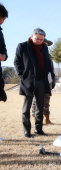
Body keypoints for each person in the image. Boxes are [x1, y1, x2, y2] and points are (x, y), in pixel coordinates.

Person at [14, 28, 54, 138]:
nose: (39, 41)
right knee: (26, 108)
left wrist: (51, 78)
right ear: (32, 36)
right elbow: (17, 62)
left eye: (42, 40)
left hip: (42, 81)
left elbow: (48, 63)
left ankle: (38, 129)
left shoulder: (44, 47)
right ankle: (27, 131)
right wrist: (23, 76)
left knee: (40, 107)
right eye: (37, 39)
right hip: (29, 81)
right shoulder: (22, 46)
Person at [32, 38, 55, 125]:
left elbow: (51, 70)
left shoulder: (48, 55)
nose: (45, 45)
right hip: (38, 80)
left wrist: (52, 81)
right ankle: (35, 118)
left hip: (48, 81)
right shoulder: (36, 54)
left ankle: (47, 119)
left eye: (46, 44)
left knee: (47, 99)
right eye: (44, 43)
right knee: (35, 101)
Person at [0, 4, 8, 141]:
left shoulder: (0, 32)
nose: (2, 21)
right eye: (1, 18)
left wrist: (4, 56)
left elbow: (4, 48)